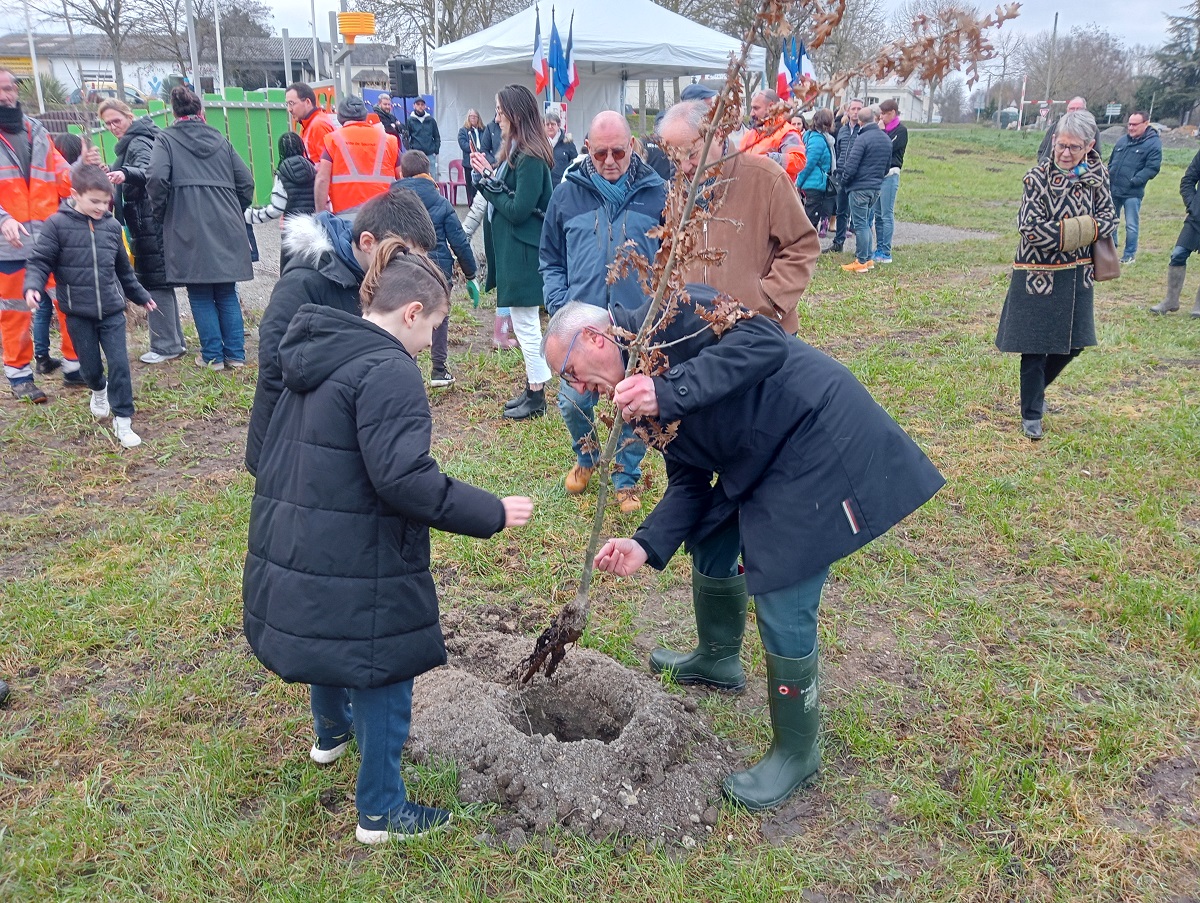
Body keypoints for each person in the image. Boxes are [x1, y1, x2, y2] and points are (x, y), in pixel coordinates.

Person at [544, 286, 944, 811]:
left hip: (813, 435)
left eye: (570, 373)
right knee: (711, 536)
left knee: (782, 583)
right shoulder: (633, 398)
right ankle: (718, 658)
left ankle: (798, 752)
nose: (578, 390)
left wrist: (670, 390)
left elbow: (765, 341)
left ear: (595, 339)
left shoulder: (672, 313)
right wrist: (644, 545)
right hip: (759, 458)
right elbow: (689, 480)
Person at [243, 236, 535, 845]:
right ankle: (381, 811)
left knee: (333, 630)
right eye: (434, 326)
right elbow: (404, 478)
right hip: (360, 544)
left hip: (303, 532)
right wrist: (491, 512)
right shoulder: (390, 370)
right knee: (381, 665)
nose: (433, 342)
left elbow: (267, 443)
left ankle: (330, 735)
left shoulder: (319, 350)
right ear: (411, 313)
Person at [246, 189, 436, 475]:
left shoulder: (380, 282)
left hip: (344, 437)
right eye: (402, 257)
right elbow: (276, 366)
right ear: (368, 242)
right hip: (296, 445)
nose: (409, 269)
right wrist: (280, 453)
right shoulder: (303, 284)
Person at [540, 110, 666, 514]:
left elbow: (672, 260)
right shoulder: (566, 196)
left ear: (632, 147)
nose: (609, 161)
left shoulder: (658, 193)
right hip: (583, 333)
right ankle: (588, 455)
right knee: (571, 402)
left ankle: (625, 480)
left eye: (617, 152)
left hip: (637, 326)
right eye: (599, 154)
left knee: (631, 407)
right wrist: (562, 307)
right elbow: (551, 259)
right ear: (587, 151)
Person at [996, 110, 1116, 440]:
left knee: (1074, 344)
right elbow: (1030, 229)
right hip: (1039, 274)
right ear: (1053, 141)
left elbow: (1108, 221)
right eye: (1061, 145)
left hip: (1079, 275)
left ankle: (1034, 392)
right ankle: (1031, 413)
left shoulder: (1097, 175)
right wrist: (1083, 230)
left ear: (1089, 146)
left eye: (1074, 148)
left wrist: (1067, 231)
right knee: (1034, 347)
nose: (1065, 153)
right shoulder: (1036, 179)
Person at [657, 100, 818, 336]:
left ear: (718, 134)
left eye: (691, 154)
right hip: (700, 336)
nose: (684, 166)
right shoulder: (676, 192)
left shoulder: (766, 178)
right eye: (674, 158)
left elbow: (802, 244)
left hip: (761, 331)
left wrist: (768, 300)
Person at [23, 163, 157, 447]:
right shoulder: (56, 225)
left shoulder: (110, 227)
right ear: (75, 194)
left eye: (106, 201)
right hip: (78, 313)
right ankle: (98, 389)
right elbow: (39, 261)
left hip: (112, 311)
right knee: (90, 369)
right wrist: (33, 286)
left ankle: (123, 420)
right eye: (94, 201)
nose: (101, 207)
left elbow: (124, 272)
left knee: (120, 364)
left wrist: (141, 296)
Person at [148, 85, 255, 371]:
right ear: (201, 113)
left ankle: (212, 357)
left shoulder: (166, 139)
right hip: (226, 222)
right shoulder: (221, 140)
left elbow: (156, 178)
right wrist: (233, 208)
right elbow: (246, 182)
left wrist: (162, 212)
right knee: (226, 290)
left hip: (187, 223)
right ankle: (236, 355)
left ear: (173, 113)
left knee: (199, 291)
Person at [469, 84, 555, 420]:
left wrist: (488, 189)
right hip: (517, 250)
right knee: (524, 323)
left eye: (501, 112)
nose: (496, 118)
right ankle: (534, 387)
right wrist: (489, 175)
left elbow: (519, 209)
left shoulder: (530, 156)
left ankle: (537, 395)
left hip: (523, 252)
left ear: (516, 115)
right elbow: (512, 193)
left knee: (527, 325)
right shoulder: (519, 150)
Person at [0, 66, 82, 403]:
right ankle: (20, 376)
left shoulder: (36, 129)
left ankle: (76, 366)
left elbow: (61, 173)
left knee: (68, 303)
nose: (6, 95)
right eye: (0, 89)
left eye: (9, 88)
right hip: (10, 245)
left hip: (50, 239)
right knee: (16, 310)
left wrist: (84, 177)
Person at [97, 99, 188, 365]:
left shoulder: (137, 141)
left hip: (148, 220)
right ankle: (173, 341)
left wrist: (125, 172)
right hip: (148, 219)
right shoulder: (141, 138)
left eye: (117, 120)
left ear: (130, 116)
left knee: (155, 283)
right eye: (108, 124)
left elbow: (149, 171)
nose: (113, 127)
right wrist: (114, 171)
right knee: (159, 282)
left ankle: (165, 345)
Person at [395, 150, 477, 388]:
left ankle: (407, 369)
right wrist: (470, 273)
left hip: (402, 268)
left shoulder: (392, 200)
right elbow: (459, 241)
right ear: (428, 173)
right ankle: (438, 370)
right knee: (438, 317)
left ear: (402, 172)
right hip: (438, 270)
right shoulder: (441, 202)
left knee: (406, 317)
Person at [314, 94, 400, 215]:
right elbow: (403, 178)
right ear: (364, 116)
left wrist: (320, 214)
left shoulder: (333, 140)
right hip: (383, 214)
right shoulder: (388, 140)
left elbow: (322, 180)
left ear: (340, 117)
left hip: (346, 215)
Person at [244, 130, 316, 270]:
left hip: (291, 231)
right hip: (313, 228)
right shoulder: (312, 167)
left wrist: (250, 215)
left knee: (290, 273)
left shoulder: (283, 171)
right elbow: (324, 200)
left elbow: (276, 209)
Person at [839, 106, 892, 274]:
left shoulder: (861, 139)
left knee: (861, 224)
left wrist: (844, 182)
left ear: (860, 122)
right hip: (876, 187)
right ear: (876, 119)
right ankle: (868, 259)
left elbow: (851, 165)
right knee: (867, 224)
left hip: (859, 187)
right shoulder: (885, 139)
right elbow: (886, 167)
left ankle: (861, 261)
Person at [1107, 111, 1161, 266]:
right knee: (1111, 221)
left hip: (1132, 192)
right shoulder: (1122, 141)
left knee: (1131, 224)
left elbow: (1152, 168)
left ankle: (1129, 255)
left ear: (1146, 123)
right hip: (1114, 189)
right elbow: (1112, 162)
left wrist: (1135, 180)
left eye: (1134, 124)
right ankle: (1111, 251)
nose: (1131, 127)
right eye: (1129, 124)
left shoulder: (1153, 143)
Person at [1151, 146, 1200, 317]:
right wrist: (1193, 205)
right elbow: (1187, 180)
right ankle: (1171, 300)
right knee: (1178, 254)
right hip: (1196, 219)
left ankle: (1198, 306)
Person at [870, 98, 908, 265]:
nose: (881, 118)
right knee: (877, 215)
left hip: (891, 174)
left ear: (892, 113)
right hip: (878, 175)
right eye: (880, 114)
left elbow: (887, 148)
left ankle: (886, 250)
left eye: (884, 114)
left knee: (886, 214)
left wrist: (881, 133)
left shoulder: (900, 130)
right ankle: (878, 248)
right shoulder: (883, 128)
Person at [739, 90, 806, 182]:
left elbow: (798, 161)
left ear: (771, 107)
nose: (751, 113)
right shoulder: (749, 134)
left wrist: (768, 159)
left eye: (756, 108)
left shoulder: (786, 132)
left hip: (777, 193)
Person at [825, 97, 864, 254]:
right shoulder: (842, 130)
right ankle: (838, 242)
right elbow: (839, 151)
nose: (855, 112)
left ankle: (861, 248)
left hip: (858, 177)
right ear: (847, 111)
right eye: (853, 109)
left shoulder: (864, 131)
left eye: (859, 109)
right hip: (842, 175)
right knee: (841, 210)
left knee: (859, 213)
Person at [796, 107, 835, 228]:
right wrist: (798, 184)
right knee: (810, 220)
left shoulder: (812, 136)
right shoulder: (818, 140)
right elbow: (808, 163)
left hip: (813, 182)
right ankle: (806, 245)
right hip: (814, 184)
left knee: (809, 217)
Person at [286, 82, 339, 166]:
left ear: (307, 102)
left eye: (291, 103)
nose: (289, 109)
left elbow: (329, 166)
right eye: (287, 104)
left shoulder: (318, 125)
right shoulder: (308, 124)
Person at [1038, 96, 1087, 164]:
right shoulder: (1056, 126)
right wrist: (1042, 162)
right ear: (1067, 110)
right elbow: (1042, 149)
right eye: (1072, 109)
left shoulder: (1090, 129)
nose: (1075, 111)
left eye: (1078, 109)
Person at [406, 97, 441, 177]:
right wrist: (410, 149)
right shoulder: (410, 120)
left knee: (432, 178)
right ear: (414, 106)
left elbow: (436, 136)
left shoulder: (431, 120)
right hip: (416, 155)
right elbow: (407, 137)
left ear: (425, 106)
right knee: (416, 177)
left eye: (422, 104)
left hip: (430, 154)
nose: (420, 106)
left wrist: (436, 150)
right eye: (418, 104)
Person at [457, 109, 485, 204]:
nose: (473, 118)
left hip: (483, 161)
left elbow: (487, 143)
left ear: (478, 118)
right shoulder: (463, 131)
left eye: (475, 116)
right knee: (471, 187)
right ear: (468, 118)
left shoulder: (483, 130)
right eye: (471, 116)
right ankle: (472, 205)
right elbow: (464, 145)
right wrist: (476, 150)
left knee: (483, 185)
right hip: (470, 163)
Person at [544, 111, 578, 184]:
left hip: (563, 186)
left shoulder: (568, 143)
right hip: (544, 187)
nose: (550, 127)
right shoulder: (540, 144)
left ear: (558, 125)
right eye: (547, 124)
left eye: (553, 124)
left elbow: (575, 163)